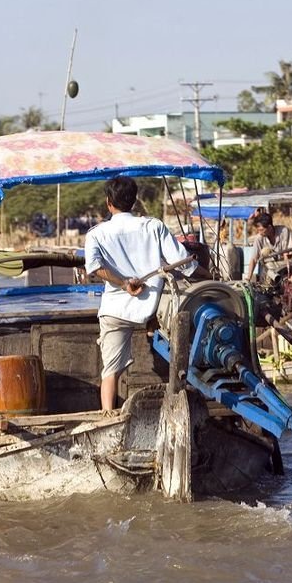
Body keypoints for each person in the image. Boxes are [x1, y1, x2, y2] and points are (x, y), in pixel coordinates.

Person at [85, 177, 208, 413]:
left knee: (110, 372)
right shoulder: (154, 226)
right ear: (134, 201)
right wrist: (210, 276)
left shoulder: (97, 234)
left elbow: (94, 268)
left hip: (115, 310)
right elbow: (184, 265)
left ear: (108, 202)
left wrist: (122, 283)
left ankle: (107, 416)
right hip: (152, 309)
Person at [245, 212, 292, 281]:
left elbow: (286, 254)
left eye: (261, 230)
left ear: (270, 227)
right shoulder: (259, 238)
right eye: (258, 230)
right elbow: (254, 259)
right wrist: (248, 278)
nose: (259, 232)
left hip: (282, 269)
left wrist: (288, 272)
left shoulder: (284, 231)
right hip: (268, 272)